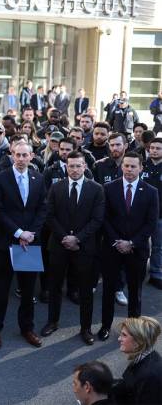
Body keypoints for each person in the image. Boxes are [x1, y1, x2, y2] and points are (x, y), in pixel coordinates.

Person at [0, 141, 47, 349]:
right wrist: (19, 232)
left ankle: (27, 328)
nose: (21, 159)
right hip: (7, 242)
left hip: (29, 243)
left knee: (28, 289)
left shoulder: (38, 179)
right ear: (11, 155)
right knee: (0, 289)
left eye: (25, 155)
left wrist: (30, 234)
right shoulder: (0, 179)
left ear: (31, 156)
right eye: (17, 155)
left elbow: (42, 208)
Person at [41, 151, 104, 345]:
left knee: (85, 290)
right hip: (59, 246)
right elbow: (49, 216)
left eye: (78, 166)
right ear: (66, 167)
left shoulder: (96, 189)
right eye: (71, 166)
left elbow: (97, 219)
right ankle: (52, 321)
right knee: (55, 287)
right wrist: (64, 237)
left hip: (84, 248)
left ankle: (86, 328)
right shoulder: (56, 187)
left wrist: (77, 238)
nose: (74, 169)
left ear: (85, 166)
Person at [98, 152, 158, 342]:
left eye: (133, 166)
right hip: (112, 248)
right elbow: (104, 218)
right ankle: (105, 326)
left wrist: (132, 243)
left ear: (141, 168)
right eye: (126, 166)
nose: (129, 170)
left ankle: (132, 331)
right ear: (121, 167)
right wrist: (118, 241)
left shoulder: (151, 191)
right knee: (108, 290)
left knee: (135, 292)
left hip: (137, 250)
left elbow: (150, 223)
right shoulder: (108, 188)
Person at [112, 316, 162, 405]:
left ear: (138, 341)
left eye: (124, 335)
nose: (119, 339)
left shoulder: (149, 377)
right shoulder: (147, 357)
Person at [142, 138, 162, 290]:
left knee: (157, 246)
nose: (154, 150)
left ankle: (156, 273)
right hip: (140, 214)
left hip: (160, 215)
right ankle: (138, 271)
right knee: (139, 244)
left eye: (158, 148)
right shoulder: (142, 166)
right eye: (152, 148)